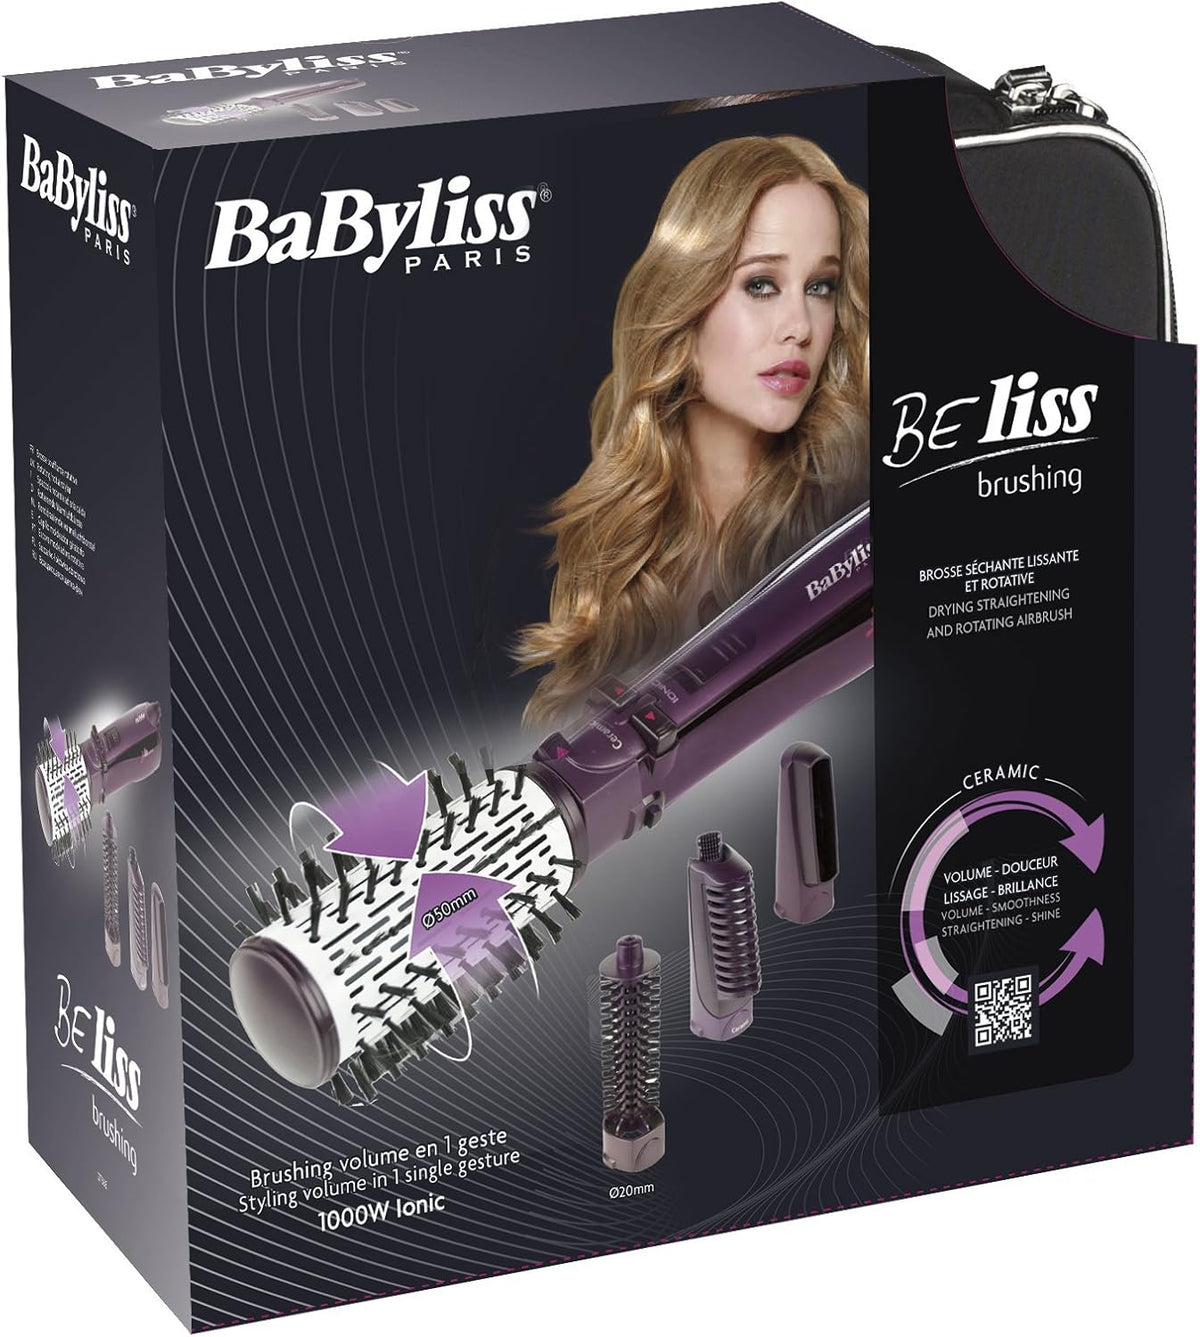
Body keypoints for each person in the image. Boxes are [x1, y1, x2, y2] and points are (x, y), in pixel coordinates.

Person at [515, 134, 869, 726]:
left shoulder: (845, 528)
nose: (800, 326)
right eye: (761, 284)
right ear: (684, 296)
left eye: (820, 287)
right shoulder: (618, 536)